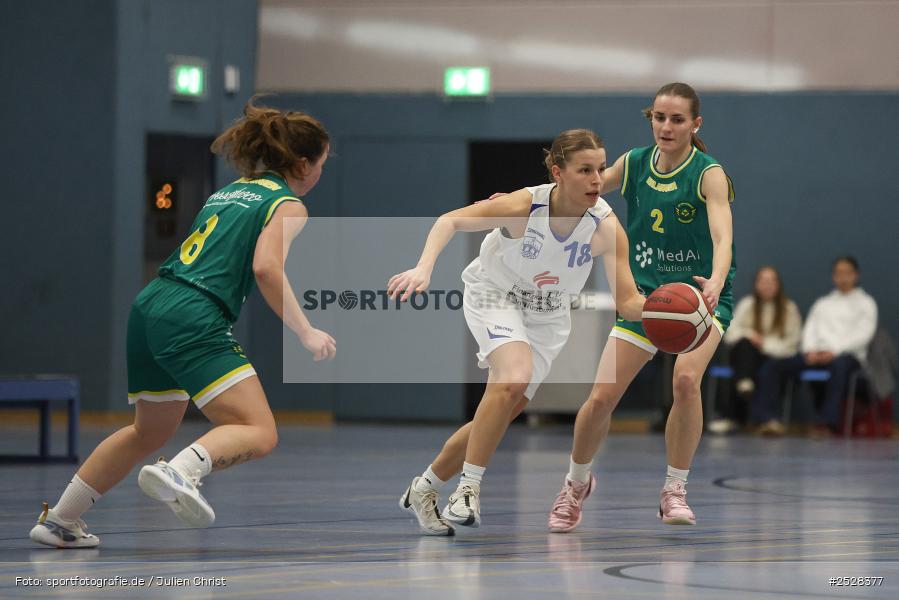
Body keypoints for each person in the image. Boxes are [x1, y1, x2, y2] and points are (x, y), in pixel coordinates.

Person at [30, 99, 336, 548]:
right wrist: (306, 331)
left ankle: (60, 520)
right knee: (260, 431)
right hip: (195, 312)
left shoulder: (227, 192)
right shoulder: (287, 204)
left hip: (152, 304)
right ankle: (182, 470)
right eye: (323, 164)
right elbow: (267, 269)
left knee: (148, 430)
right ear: (303, 164)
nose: (321, 174)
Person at [388, 129, 645, 535]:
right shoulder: (524, 206)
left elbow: (628, 302)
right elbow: (450, 220)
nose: (597, 179)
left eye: (600, 169)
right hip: (495, 293)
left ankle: (425, 487)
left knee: (506, 406)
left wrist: (677, 313)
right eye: (585, 170)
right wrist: (423, 267)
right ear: (558, 173)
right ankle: (467, 489)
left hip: (548, 314)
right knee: (512, 378)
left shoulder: (606, 227)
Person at [547, 82, 735, 531]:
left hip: (698, 297)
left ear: (695, 124)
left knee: (686, 381)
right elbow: (581, 184)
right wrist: (529, 201)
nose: (666, 127)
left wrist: (716, 281)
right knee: (601, 398)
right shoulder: (633, 163)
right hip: (645, 298)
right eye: (659, 118)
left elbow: (722, 237)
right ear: (650, 118)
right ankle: (575, 484)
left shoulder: (708, 173)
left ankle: (675, 488)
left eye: (677, 119)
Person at [751, 256, 877, 436]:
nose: (843, 277)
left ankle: (826, 424)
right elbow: (810, 330)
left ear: (856, 275)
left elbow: (863, 335)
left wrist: (834, 351)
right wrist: (810, 351)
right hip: (816, 354)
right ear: (833, 277)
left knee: (840, 366)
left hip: (848, 357)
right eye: (838, 273)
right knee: (773, 366)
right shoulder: (823, 304)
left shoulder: (866, 303)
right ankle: (768, 420)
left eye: (847, 273)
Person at [709, 266, 802, 435]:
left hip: (776, 358)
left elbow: (791, 345)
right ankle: (745, 385)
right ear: (756, 284)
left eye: (771, 281)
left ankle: (733, 415)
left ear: (778, 284)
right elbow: (730, 333)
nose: (767, 285)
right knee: (744, 346)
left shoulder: (789, 308)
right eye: (763, 281)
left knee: (759, 368)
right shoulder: (747, 304)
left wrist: (764, 344)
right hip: (747, 356)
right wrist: (751, 335)